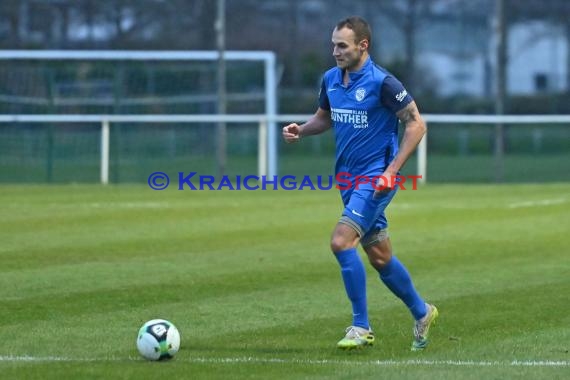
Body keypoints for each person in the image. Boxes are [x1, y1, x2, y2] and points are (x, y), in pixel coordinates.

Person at [282, 16, 438, 351]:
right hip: (348, 179)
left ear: (362, 46)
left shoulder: (383, 82)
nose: (335, 51)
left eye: (342, 45)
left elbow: (416, 124)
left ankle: (361, 326)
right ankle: (422, 312)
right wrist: (301, 130)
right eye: (333, 44)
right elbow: (324, 118)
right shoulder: (330, 80)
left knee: (341, 242)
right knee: (380, 256)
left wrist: (393, 170)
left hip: (376, 178)